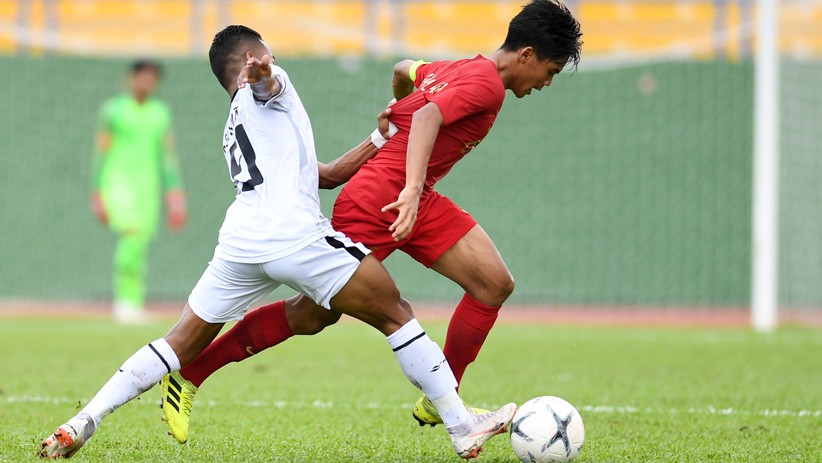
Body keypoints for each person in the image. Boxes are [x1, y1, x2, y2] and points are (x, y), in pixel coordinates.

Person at [39, 25, 515, 460]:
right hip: (294, 236)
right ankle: (460, 424)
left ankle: (85, 419)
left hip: (240, 244)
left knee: (178, 341)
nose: (272, 61)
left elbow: (323, 176)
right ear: (253, 55)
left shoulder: (235, 123)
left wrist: (378, 136)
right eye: (266, 55)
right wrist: (265, 75)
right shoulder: (267, 83)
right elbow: (269, 84)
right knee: (396, 313)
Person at [160, 0, 582, 443]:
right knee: (314, 315)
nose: (546, 83)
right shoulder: (487, 85)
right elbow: (428, 114)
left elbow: (405, 69)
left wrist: (401, 119)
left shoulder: (454, 68)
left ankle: (444, 395)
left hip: (410, 196)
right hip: (379, 200)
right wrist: (411, 187)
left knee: (494, 283)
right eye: (550, 71)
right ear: (527, 55)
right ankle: (191, 373)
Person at [92, 59, 187, 324]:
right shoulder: (113, 110)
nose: (147, 82)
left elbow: (168, 157)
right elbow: (100, 152)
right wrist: (97, 191)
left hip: (148, 186)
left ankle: (132, 302)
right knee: (132, 236)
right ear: (131, 78)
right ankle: (125, 302)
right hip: (118, 182)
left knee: (140, 242)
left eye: (152, 78)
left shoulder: (160, 113)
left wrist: (175, 195)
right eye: (142, 77)